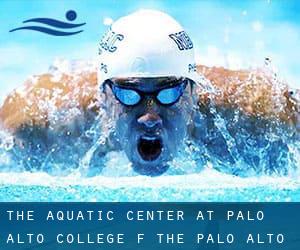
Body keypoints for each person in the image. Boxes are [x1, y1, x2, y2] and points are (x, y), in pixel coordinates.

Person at [0, 9, 298, 176]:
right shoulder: (38, 124)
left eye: (169, 93)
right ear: (103, 97)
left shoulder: (259, 113)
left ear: (194, 93)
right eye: (130, 95)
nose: (150, 116)